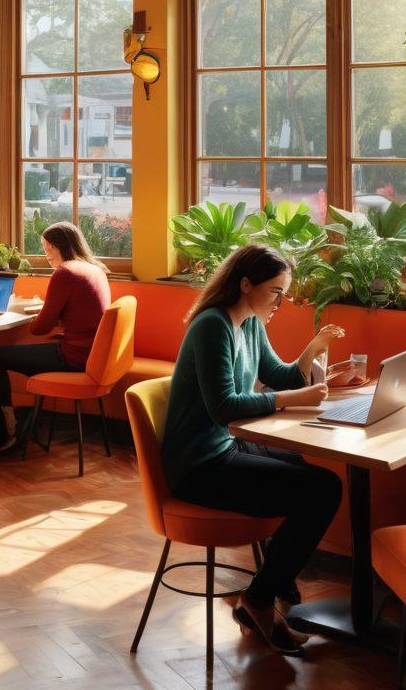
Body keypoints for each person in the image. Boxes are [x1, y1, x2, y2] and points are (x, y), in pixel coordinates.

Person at [160, 244, 345, 653]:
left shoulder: (251, 324)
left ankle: (272, 583)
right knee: (323, 488)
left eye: (285, 293)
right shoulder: (213, 325)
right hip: (198, 465)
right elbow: (224, 407)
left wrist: (312, 350)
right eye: (276, 291)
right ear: (245, 284)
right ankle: (261, 596)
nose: (282, 301)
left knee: (300, 467)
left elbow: (278, 377)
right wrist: (293, 400)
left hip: (224, 448)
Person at [0, 222, 111, 451]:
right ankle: (3, 410)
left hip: (74, 357)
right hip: (93, 355)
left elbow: (40, 328)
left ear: (61, 247)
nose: (46, 255)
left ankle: (8, 425)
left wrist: (32, 316)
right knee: (18, 351)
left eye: (48, 248)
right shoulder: (94, 268)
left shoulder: (65, 273)